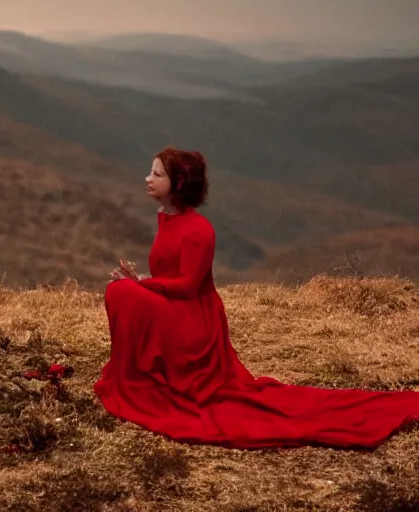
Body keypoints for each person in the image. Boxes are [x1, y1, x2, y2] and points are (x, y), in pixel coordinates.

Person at [94, 146, 419, 450]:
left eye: (157, 175)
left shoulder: (199, 229)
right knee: (122, 291)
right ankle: (139, 374)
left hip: (195, 321)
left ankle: (144, 376)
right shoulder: (167, 219)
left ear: (178, 183)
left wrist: (144, 286)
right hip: (174, 307)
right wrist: (143, 282)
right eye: (150, 173)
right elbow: (170, 278)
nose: (147, 179)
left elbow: (188, 287)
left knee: (123, 291)